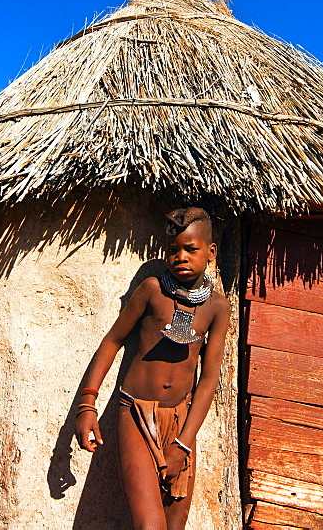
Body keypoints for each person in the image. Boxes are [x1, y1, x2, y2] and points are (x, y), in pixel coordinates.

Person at [74, 207, 230, 529]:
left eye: (191, 249)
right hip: (135, 414)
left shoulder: (216, 307)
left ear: (211, 252)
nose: (181, 257)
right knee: (150, 526)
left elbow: (209, 377)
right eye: (173, 250)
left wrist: (183, 443)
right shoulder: (152, 291)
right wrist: (86, 404)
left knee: (175, 525)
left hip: (182, 422)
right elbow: (112, 341)